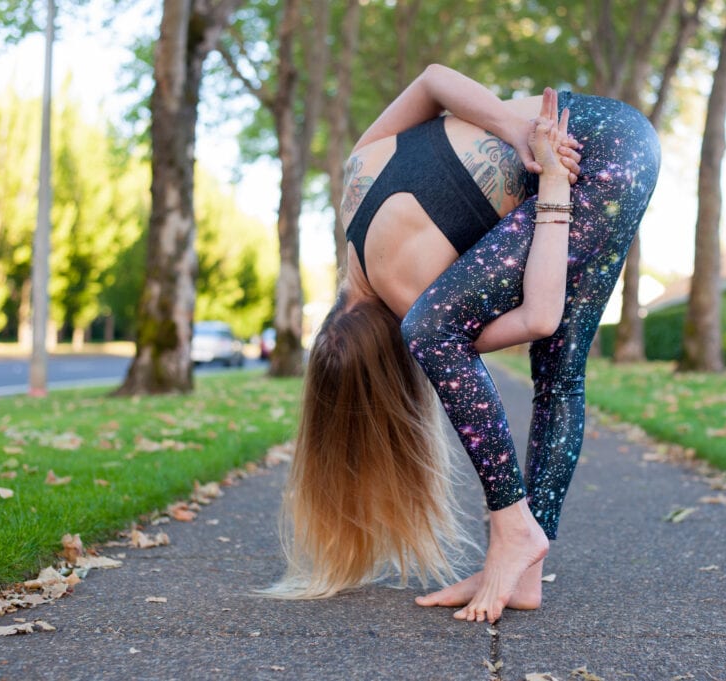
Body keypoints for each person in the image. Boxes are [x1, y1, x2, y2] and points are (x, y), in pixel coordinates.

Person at [265, 64, 660, 624]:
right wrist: (515, 129)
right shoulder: (354, 176)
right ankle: (524, 577)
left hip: (592, 170)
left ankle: (513, 529)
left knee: (437, 332)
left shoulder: (413, 298)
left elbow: (539, 317)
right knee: (560, 376)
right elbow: (431, 81)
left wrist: (549, 180)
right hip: (605, 126)